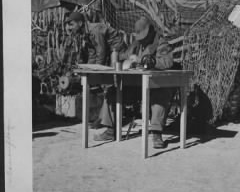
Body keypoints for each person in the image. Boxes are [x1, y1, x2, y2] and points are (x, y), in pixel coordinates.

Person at [94, 16, 175, 149]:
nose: (141, 39)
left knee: (160, 96)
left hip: (156, 84)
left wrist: (150, 61)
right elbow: (124, 56)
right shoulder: (137, 44)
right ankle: (111, 130)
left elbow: (168, 61)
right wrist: (125, 60)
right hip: (137, 85)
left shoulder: (161, 43)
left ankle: (156, 132)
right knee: (113, 92)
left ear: (150, 31)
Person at [65, 11, 129, 128]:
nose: (69, 27)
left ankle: (112, 119)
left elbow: (101, 52)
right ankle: (104, 117)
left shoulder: (95, 30)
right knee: (102, 84)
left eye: (71, 24)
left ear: (80, 23)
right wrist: (88, 69)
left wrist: (96, 70)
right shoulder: (85, 33)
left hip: (117, 51)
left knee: (112, 83)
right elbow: (92, 53)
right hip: (108, 51)